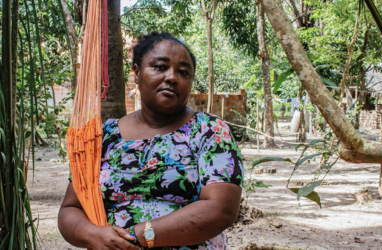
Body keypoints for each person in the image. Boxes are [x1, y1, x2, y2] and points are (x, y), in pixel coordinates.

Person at [58, 31, 244, 250]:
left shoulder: (210, 131)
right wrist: (92, 234)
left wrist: (137, 237)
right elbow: (70, 209)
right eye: (160, 67)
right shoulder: (103, 136)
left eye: (184, 72)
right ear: (136, 73)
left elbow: (221, 210)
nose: (172, 77)